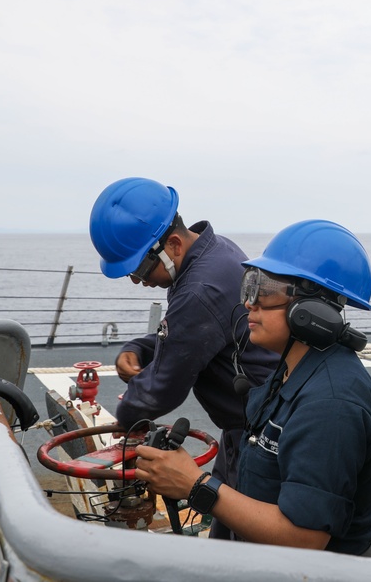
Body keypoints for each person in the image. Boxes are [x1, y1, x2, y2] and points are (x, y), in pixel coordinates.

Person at [136, 219, 371, 556]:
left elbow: (304, 537)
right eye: (250, 286)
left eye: (265, 290)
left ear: (309, 311)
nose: (249, 303)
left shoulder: (330, 403)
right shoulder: (290, 372)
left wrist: (195, 484)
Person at [88, 177, 277, 539]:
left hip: (261, 441)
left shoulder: (199, 288)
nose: (138, 281)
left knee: (246, 551)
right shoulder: (214, 252)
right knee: (225, 534)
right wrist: (141, 348)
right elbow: (192, 329)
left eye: (140, 270)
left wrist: (126, 420)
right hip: (247, 427)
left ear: (172, 244)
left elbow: (161, 390)